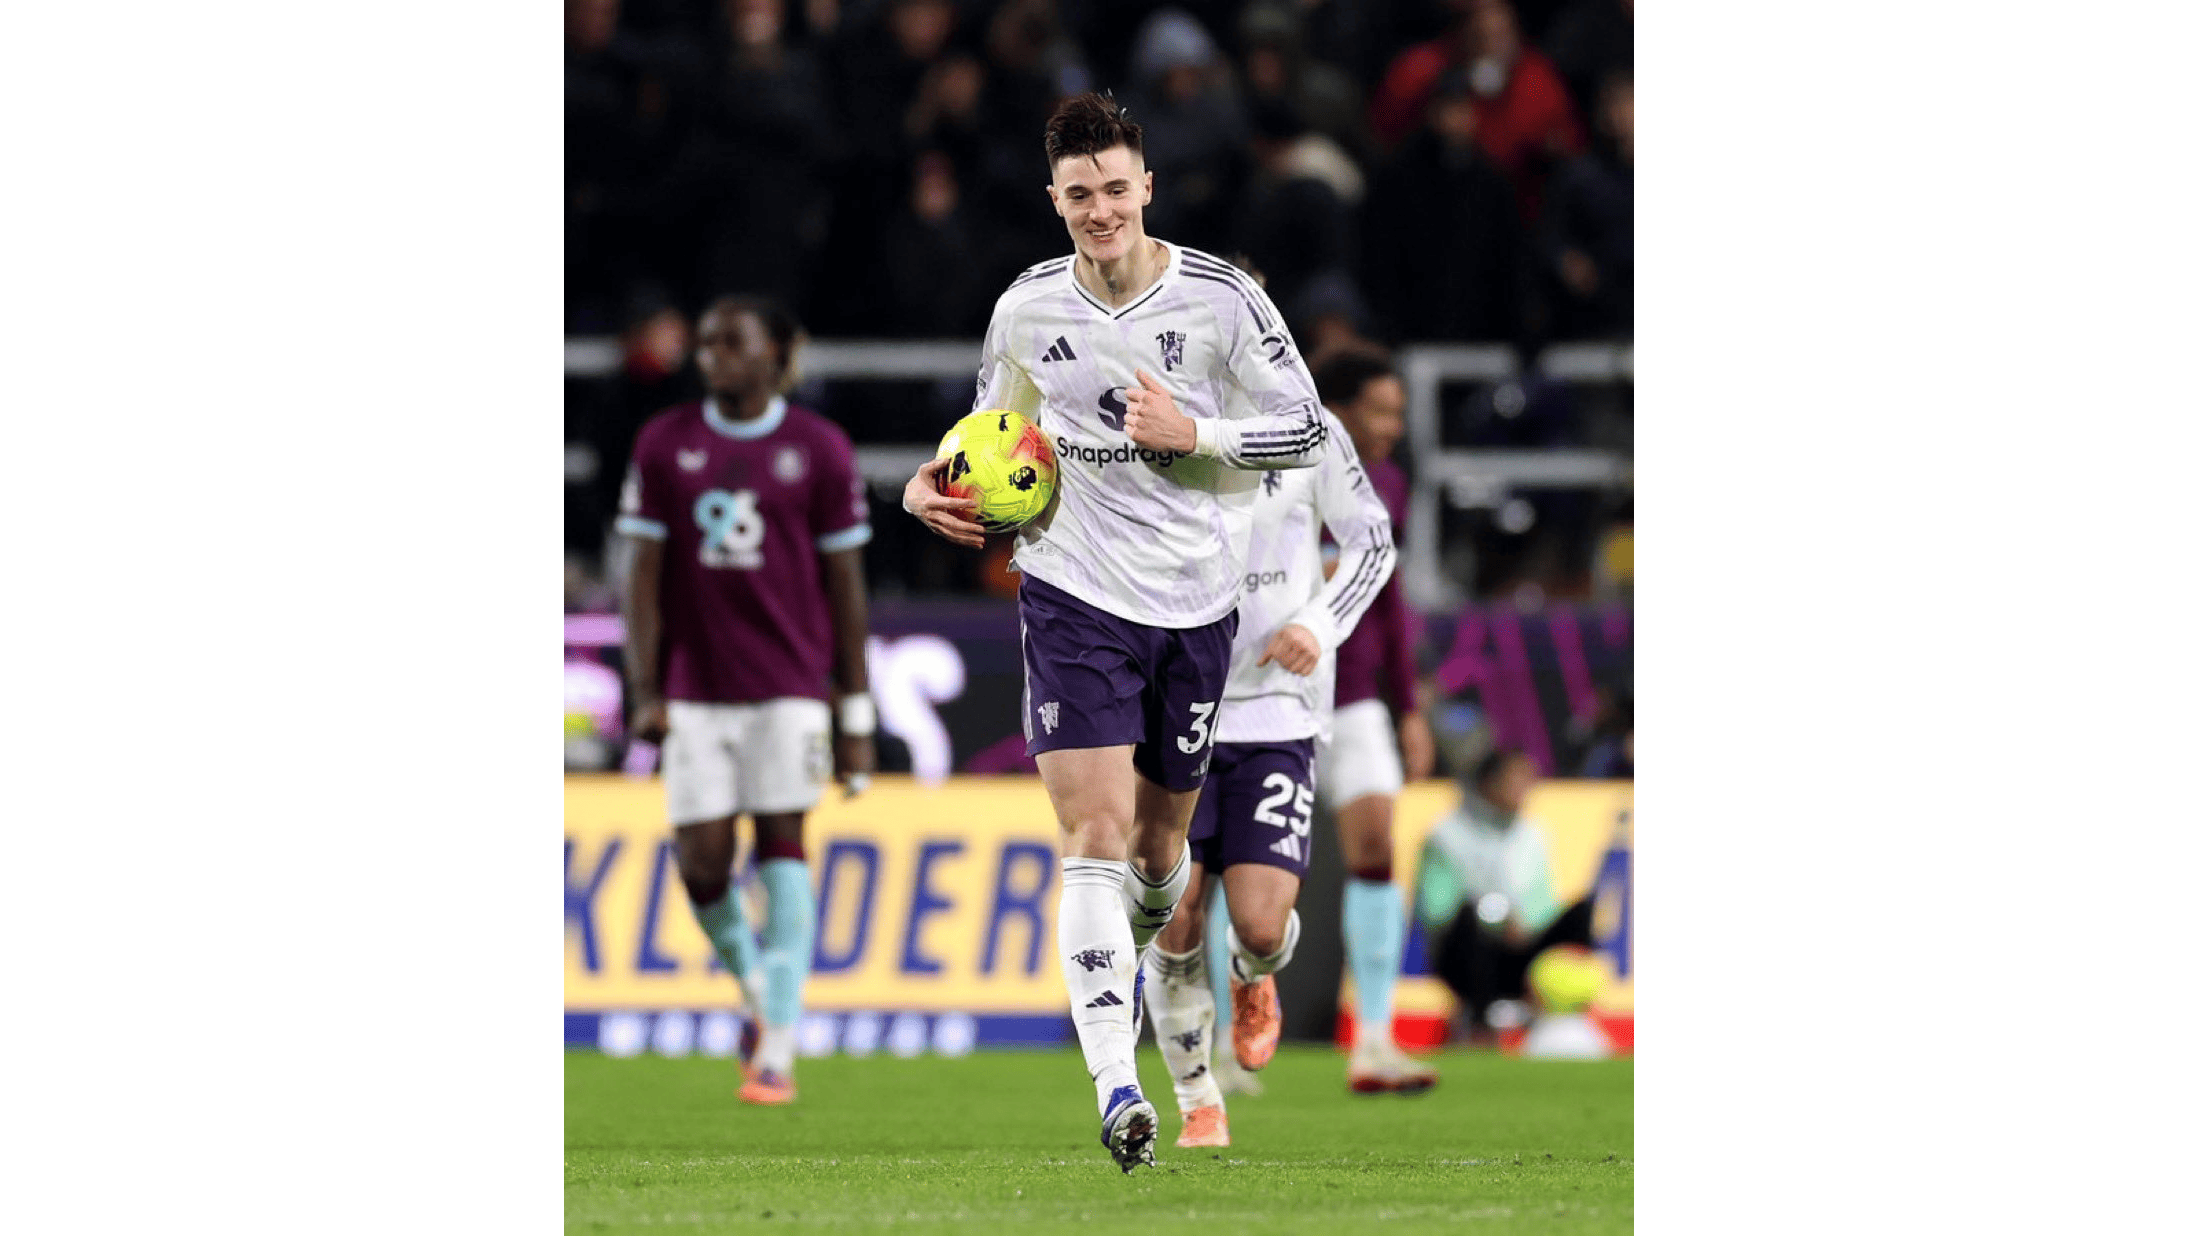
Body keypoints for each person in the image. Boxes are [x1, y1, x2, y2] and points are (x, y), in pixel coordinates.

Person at [901, 91, 1329, 1173]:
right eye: (1078, 194)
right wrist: (929, 485)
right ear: (1055, 200)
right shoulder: (1026, 308)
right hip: (1070, 590)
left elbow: (1304, 430)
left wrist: (1199, 432)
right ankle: (1116, 1088)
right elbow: (989, 432)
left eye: (1114, 189)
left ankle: (1159, 961)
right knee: (1092, 837)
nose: (1099, 210)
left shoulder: (1223, 299)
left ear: (1147, 187)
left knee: (1156, 860)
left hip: (1195, 605)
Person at [617, 296, 877, 1106]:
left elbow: (845, 584)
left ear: (777, 353)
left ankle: (779, 1047)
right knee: (700, 866)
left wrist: (855, 713)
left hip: (790, 686)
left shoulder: (818, 448)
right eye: (705, 345)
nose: (713, 357)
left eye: (732, 344)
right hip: (695, 689)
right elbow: (641, 577)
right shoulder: (664, 442)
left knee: (782, 845)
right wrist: (646, 687)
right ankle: (758, 991)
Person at [1141, 403, 1397, 1149]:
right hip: (1175, 706)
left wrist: (1318, 625)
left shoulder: (1309, 426)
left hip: (1276, 714)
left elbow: (1372, 541)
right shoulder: (1150, 415)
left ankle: (1253, 972)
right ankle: (1198, 1098)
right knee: (1173, 916)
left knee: (1257, 927)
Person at [1313, 348, 1441, 1094]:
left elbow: (1388, 602)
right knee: (1233, 869)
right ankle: (1223, 1047)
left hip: (1355, 693)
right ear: (1338, 409)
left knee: (1375, 848)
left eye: (1398, 412)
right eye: (1381, 411)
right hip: (1265, 693)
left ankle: (1374, 1040)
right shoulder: (1271, 465)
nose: (1393, 427)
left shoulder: (1387, 484)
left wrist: (1408, 707)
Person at [1418, 749, 1597, 1036]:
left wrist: (1524, 926)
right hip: (1469, 951)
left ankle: (1566, 1016)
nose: (1523, 790)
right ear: (1488, 783)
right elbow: (1436, 911)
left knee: (1580, 913)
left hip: (1523, 947)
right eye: (1514, 780)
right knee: (1467, 920)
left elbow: (1544, 902)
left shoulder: (1532, 833)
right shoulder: (1447, 834)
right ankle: (1479, 1023)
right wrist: (1499, 919)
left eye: (1528, 780)